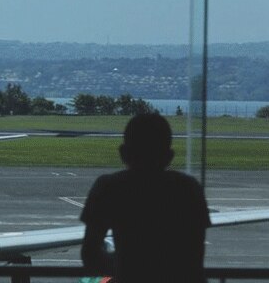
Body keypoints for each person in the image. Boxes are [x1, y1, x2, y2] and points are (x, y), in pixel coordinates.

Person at [80, 113, 211, 283]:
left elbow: (90, 255)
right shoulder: (189, 188)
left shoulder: (108, 187)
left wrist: (124, 266)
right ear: (169, 156)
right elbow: (194, 258)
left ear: (123, 153)